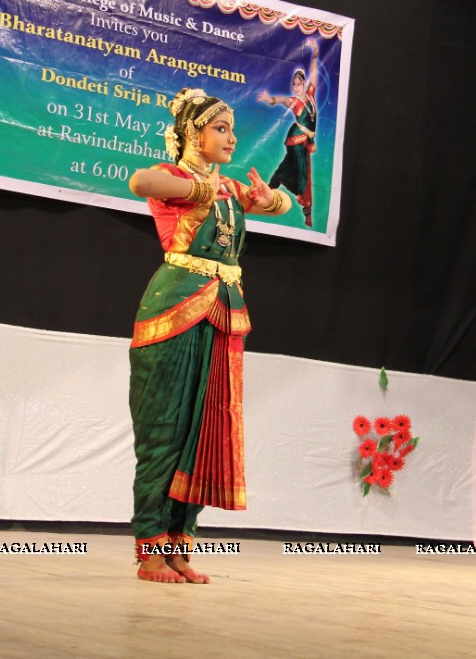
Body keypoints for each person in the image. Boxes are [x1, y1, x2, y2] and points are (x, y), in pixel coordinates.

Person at [126, 88, 291, 583]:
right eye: (220, 128)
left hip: (222, 312)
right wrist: (198, 189)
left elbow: (279, 206)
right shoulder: (177, 178)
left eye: (233, 130)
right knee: (164, 433)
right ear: (193, 134)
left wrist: (269, 199)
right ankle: (149, 549)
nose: (232, 138)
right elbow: (139, 181)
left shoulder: (229, 187)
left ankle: (179, 545)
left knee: (204, 432)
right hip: (174, 310)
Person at [257, 36, 321, 227]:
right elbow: (281, 99)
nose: (296, 87)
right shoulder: (293, 101)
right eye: (294, 85)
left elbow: (314, 73)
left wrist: (315, 54)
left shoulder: (310, 95)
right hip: (296, 139)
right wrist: (269, 99)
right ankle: (306, 209)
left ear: (304, 84)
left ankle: (270, 187)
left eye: (299, 84)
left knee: (287, 167)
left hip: (304, 141)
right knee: (302, 172)